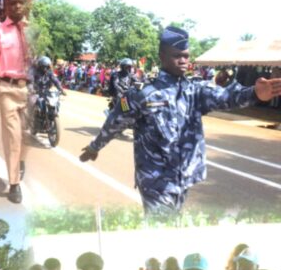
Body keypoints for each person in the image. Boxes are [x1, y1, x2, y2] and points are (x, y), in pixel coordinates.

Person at [80, 28, 281, 214]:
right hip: (155, 178)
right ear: (162, 56)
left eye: (186, 55)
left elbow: (227, 98)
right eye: (177, 56)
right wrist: (95, 146)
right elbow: (115, 122)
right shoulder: (141, 94)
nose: (183, 60)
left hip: (183, 176)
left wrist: (254, 93)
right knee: (162, 227)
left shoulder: (195, 90)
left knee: (171, 224)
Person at [0, 0, 31, 203]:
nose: (17, 6)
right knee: (13, 137)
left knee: (27, 135)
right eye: (12, 3)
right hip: (7, 89)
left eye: (21, 2)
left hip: (30, 90)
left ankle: (20, 160)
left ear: (27, 4)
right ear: (5, 6)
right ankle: (14, 183)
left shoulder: (35, 31)